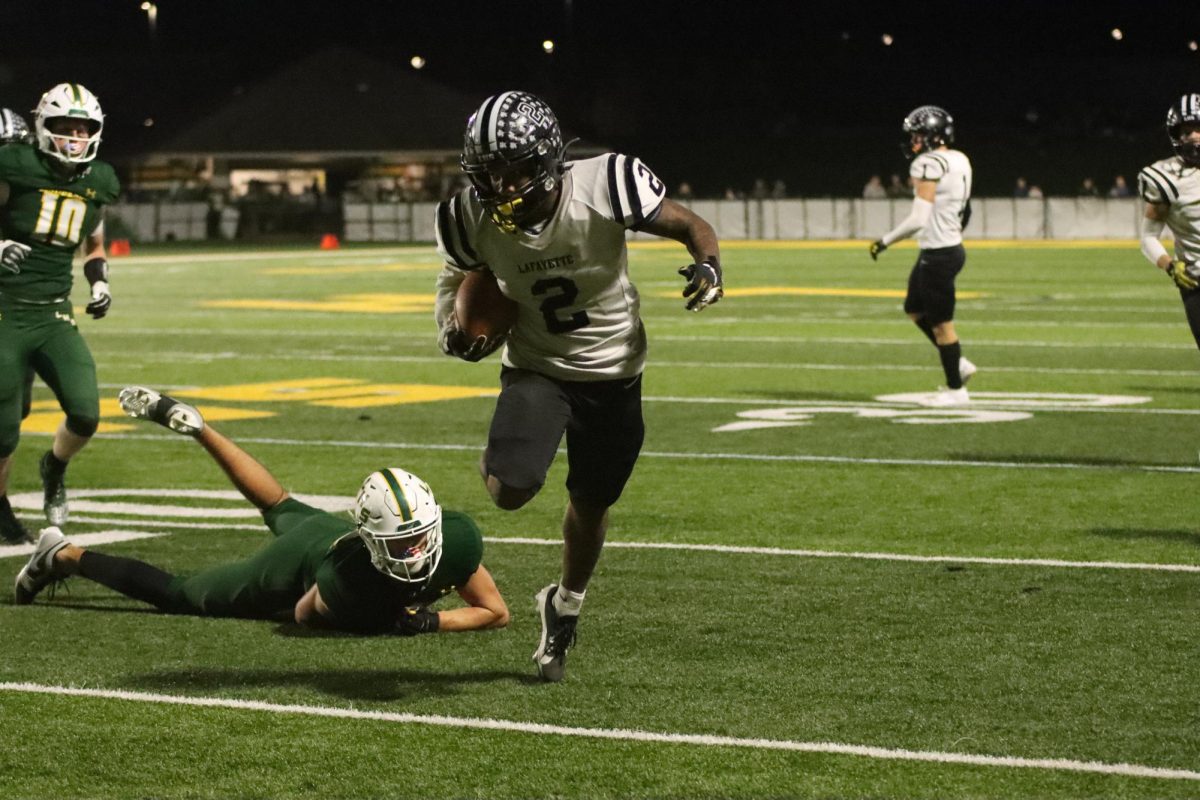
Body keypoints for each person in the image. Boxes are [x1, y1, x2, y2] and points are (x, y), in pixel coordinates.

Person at [433, 90, 722, 681]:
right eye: (489, 175)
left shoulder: (608, 181)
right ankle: (503, 448)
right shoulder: (467, 215)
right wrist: (453, 330)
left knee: (592, 505)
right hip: (538, 364)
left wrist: (709, 265)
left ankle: (563, 605)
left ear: (547, 162)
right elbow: (457, 279)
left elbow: (691, 224)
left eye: (515, 172)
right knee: (509, 489)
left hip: (616, 370)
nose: (503, 188)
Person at [14, 387, 510, 636]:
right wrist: (397, 618)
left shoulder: (458, 539)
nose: (416, 550)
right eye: (403, 543)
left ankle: (201, 430)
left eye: (421, 536)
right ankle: (63, 554)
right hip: (303, 560)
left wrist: (430, 622)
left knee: (277, 502)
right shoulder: (350, 576)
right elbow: (301, 613)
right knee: (183, 594)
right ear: (372, 541)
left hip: (328, 532)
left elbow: (496, 611)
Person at [0, 84, 120, 544]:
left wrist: (101, 281)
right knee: (4, 427)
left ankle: (54, 466)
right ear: (43, 127)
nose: (74, 136)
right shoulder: (15, 166)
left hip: (54, 314)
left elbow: (93, 243)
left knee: (86, 413)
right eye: (65, 127)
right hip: (6, 310)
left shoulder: (99, 179)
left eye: (82, 128)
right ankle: (0, 506)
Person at [868, 105, 976, 407]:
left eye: (917, 136)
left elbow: (918, 219)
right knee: (914, 308)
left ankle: (957, 390)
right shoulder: (959, 159)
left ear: (931, 136)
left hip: (939, 254)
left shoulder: (928, 163)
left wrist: (884, 242)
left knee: (943, 325)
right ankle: (959, 364)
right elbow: (967, 210)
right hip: (948, 249)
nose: (913, 143)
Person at [1138, 93, 1200, 349]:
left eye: (1199, 128)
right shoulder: (1165, 178)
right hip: (1197, 281)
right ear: (1176, 135)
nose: (1195, 137)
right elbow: (1148, 237)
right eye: (1187, 131)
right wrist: (1170, 266)